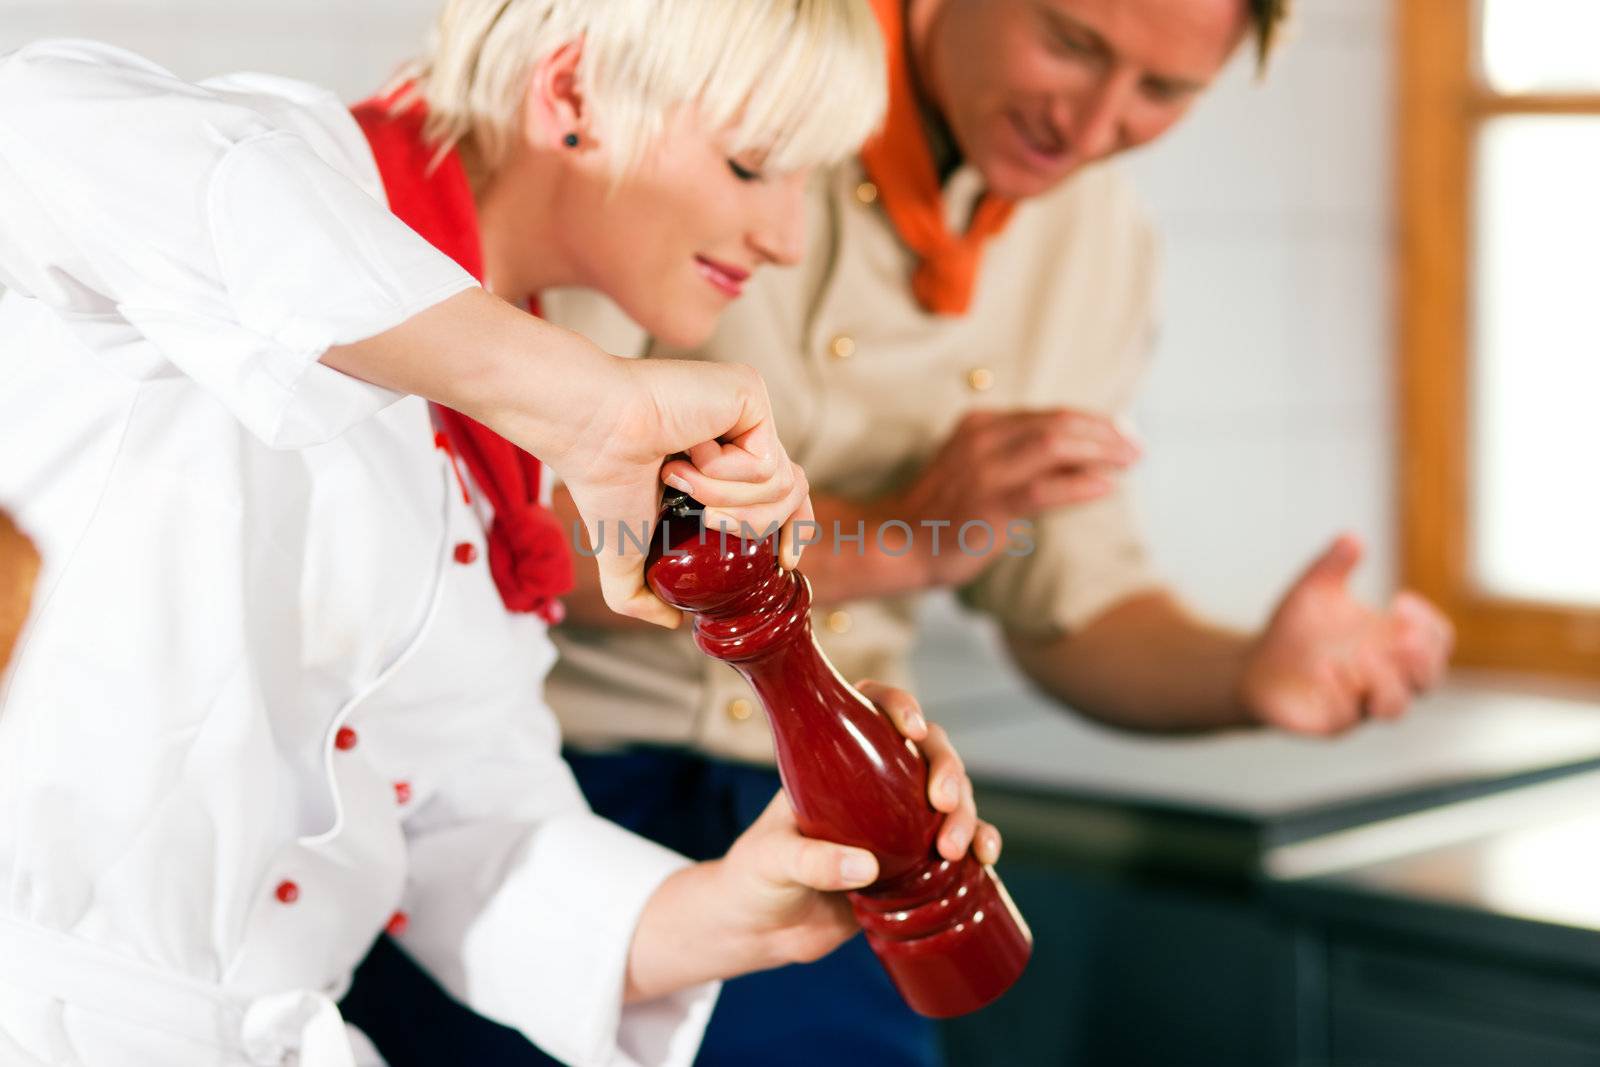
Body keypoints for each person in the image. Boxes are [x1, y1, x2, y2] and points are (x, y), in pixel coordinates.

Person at [0, 4, 1001, 1064]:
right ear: (568, 94)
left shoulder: (499, 445)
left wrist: (731, 908)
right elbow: (34, 119)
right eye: (753, 165)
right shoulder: (280, 179)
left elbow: (464, 837)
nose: (787, 237)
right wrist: (579, 399)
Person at [537, 0, 1459, 1064]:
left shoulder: (1097, 241)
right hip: (566, 773)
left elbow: (1066, 602)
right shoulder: (719, 89)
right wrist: (904, 537)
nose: (1092, 122)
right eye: (1070, 43)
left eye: (1162, 92)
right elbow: (535, 526)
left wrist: (1248, 673)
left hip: (834, 809)